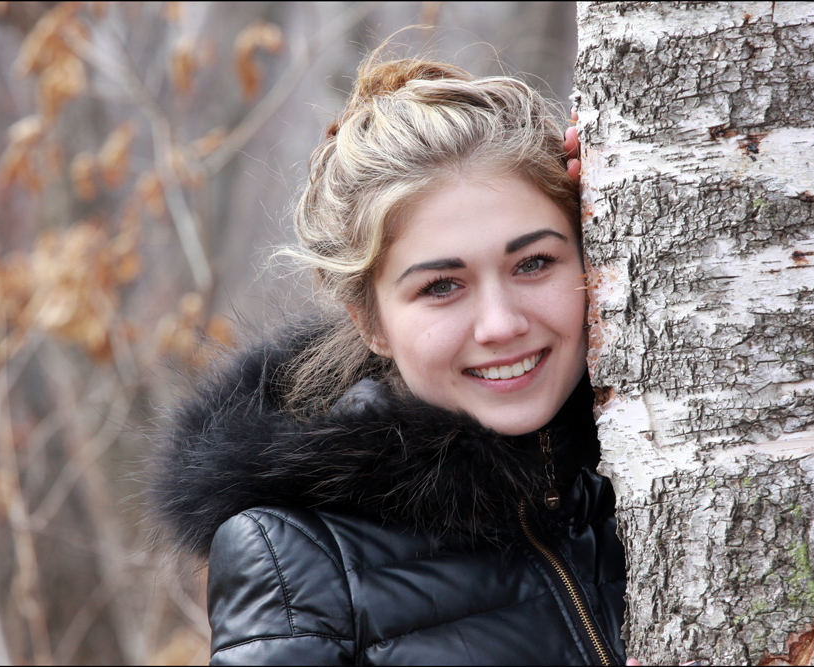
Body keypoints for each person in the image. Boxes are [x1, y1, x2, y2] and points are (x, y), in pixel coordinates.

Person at [149, 53, 626, 665]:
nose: (502, 324)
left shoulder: (666, 465)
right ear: (371, 322)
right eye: (441, 287)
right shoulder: (296, 558)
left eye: (533, 263)